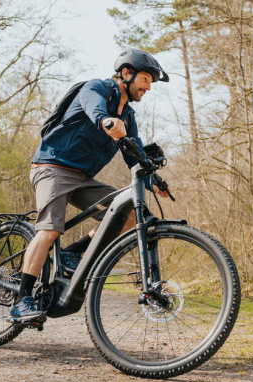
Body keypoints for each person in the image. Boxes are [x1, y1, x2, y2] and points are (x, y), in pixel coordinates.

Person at [9, 49, 170, 323]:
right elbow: (93, 107)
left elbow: (135, 157)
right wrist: (105, 120)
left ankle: (74, 252)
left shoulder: (128, 116)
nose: (147, 87)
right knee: (49, 230)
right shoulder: (96, 88)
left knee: (130, 214)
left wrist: (152, 180)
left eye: (151, 83)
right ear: (126, 73)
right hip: (52, 168)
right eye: (145, 79)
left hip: (83, 178)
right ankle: (21, 299)